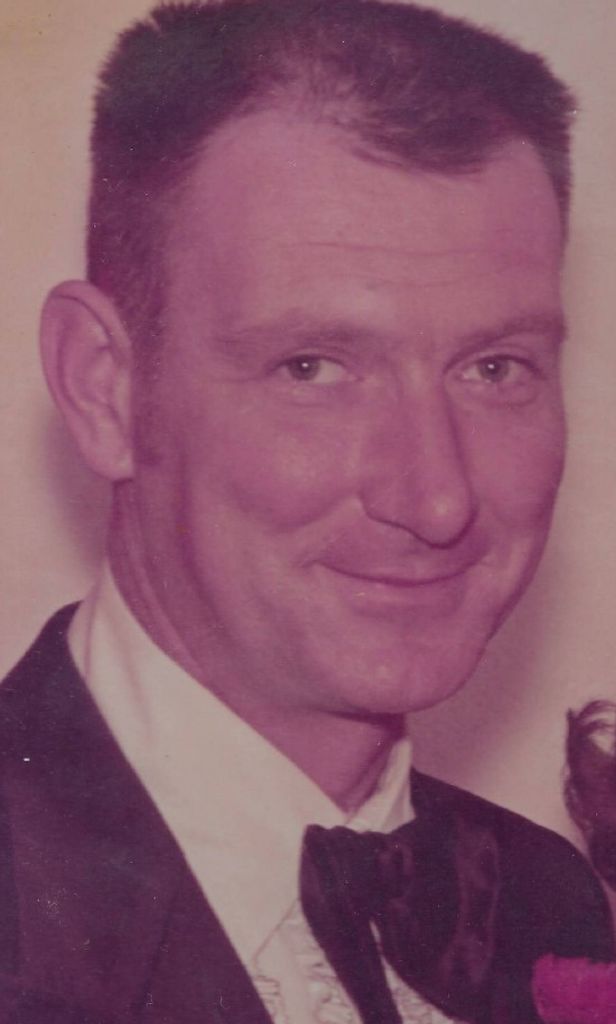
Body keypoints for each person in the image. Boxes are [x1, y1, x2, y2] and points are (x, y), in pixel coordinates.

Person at [0, 1, 613, 1021]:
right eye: (313, 367)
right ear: (105, 389)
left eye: (494, 368)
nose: (437, 496)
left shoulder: (550, 901)